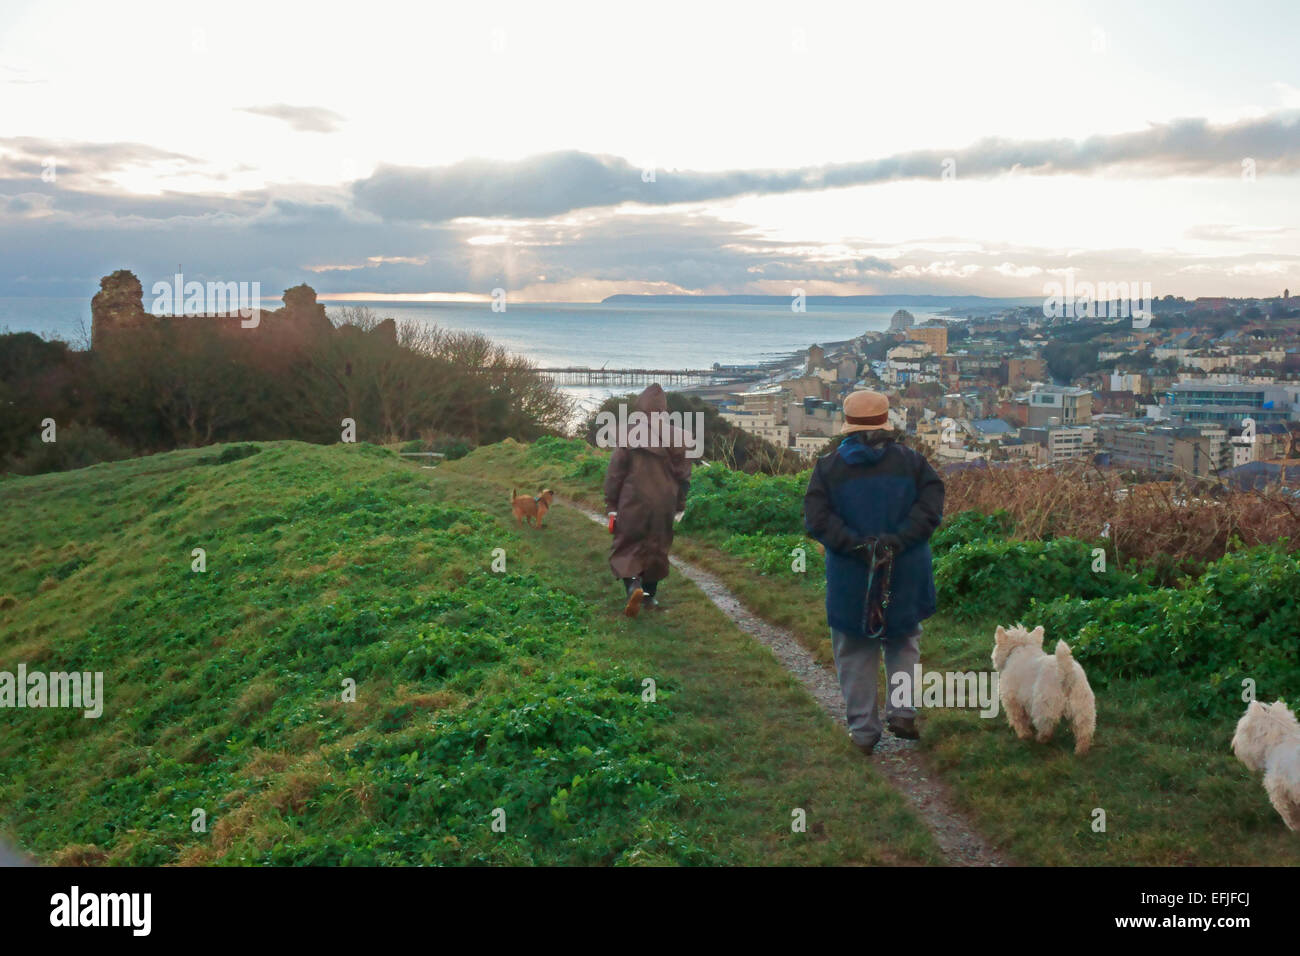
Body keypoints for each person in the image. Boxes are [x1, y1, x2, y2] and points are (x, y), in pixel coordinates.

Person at [803, 389, 944, 754]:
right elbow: (930, 509)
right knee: (903, 639)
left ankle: (864, 732)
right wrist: (897, 541)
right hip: (907, 567)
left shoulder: (828, 468)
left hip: (853, 574)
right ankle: (901, 711)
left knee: (854, 649)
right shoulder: (914, 463)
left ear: (847, 425)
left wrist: (856, 545)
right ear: (887, 422)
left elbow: (817, 520)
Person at [603, 383, 691, 617]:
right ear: (664, 409)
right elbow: (684, 476)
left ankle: (633, 586)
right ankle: (650, 597)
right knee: (657, 547)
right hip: (664, 502)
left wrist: (611, 505)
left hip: (633, 500)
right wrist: (680, 505)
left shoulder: (628, 434)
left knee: (627, 545)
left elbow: (615, 473)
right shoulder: (678, 437)